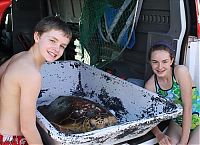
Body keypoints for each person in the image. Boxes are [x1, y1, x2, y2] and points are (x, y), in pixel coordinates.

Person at [0, 16, 72, 145]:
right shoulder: (32, 75)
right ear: (37, 37)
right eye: (52, 40)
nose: (56, 49)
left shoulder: (20, 56)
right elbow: (27, 128)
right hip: (11, 140)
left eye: (62, 46)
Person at [145, 42, 200, 145]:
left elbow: (188, 107)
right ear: (150, 62)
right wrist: (159, 134)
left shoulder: (180, 72)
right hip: (178, 122)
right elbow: (149, 116)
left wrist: (183, 142)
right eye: (155, 62)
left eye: (165, 61)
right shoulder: (150, 85)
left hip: (197, 118)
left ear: (172, 61)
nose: (160, 66)